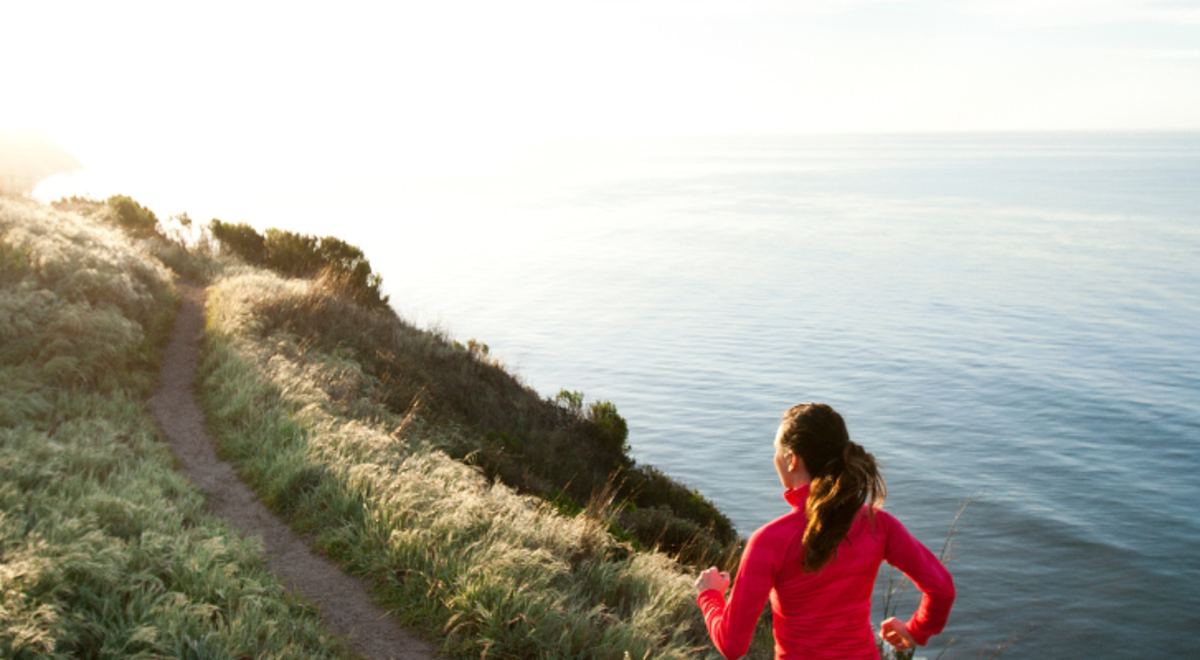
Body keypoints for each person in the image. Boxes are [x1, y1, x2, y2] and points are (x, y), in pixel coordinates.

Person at [694, 403, 955, 659]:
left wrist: (710, 595)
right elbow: (941, 589)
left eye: (776, 450)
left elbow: (732, 645)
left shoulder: (770, 540)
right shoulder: (880, 525)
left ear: (791, 460)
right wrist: (915, 631)